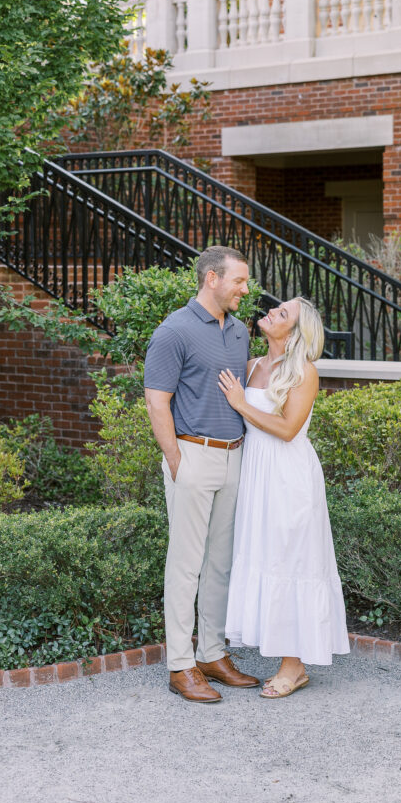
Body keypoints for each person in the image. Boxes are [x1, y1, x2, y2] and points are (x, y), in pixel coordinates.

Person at [144, 245, 260, 703]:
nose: (245, 290)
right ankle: (180, 664)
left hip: (235, 457)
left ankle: (212, 653)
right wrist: (176, 461)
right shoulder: (174, 330)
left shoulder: (238, 333)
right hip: (192, 457)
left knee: (219, 565)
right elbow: (157, 401)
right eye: (239, 281)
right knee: (186, 565)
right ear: (212, 278)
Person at [218, 297, 350, 699]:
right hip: (256, 472)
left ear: (293, 332)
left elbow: (290, 427)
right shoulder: (253, 365)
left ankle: (294, 666)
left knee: (291, 558)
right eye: (277, 308)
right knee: (265, 555)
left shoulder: (303, 372)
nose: (273, 311)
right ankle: (283, 654)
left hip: (289, 475)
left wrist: (241, 403)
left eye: (283, 314)